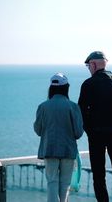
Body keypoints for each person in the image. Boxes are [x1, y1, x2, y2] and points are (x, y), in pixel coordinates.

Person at [78, 51, 112, 202]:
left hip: (96, 134)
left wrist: (89, 130)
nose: (89, 68)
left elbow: (81, 112)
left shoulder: (88, 84)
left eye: (88, 65)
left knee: (98, 173)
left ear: (94, 64)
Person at [34, 73, 84, 202]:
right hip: (68, 150)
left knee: (52, 182)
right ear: (66, 88)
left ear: (51, 88)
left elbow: (38, 130)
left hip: (49, 150)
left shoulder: (43, 106)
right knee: (65, 183)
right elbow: (78, 133)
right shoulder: (73, 106)